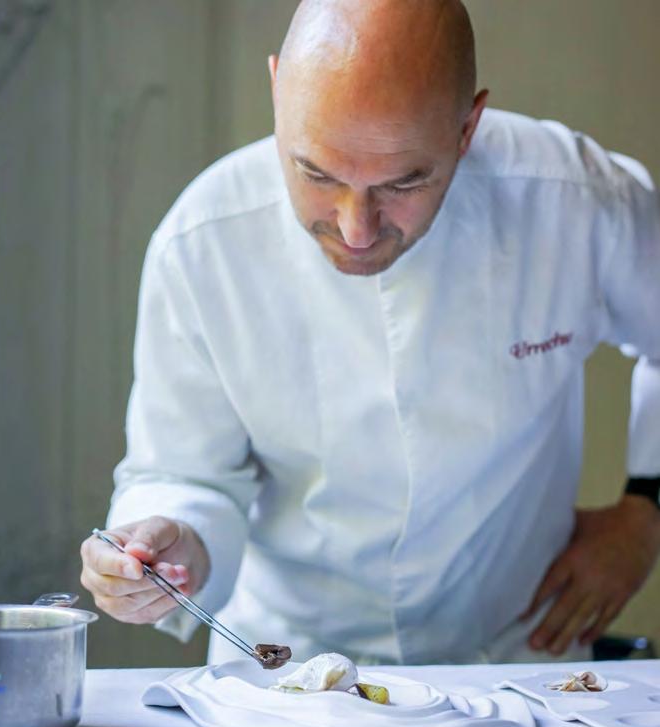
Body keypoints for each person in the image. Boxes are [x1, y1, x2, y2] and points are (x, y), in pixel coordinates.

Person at [80, 0, 660, 665]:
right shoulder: (202, 242)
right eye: (316, 174)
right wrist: (166, 545)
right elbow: (185, 473)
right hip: (284, 667)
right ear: (278, 92)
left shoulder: (576, 199)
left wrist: (646, 512)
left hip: (513, 658)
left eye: (404, 181)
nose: (356, 229)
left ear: (467, 127)